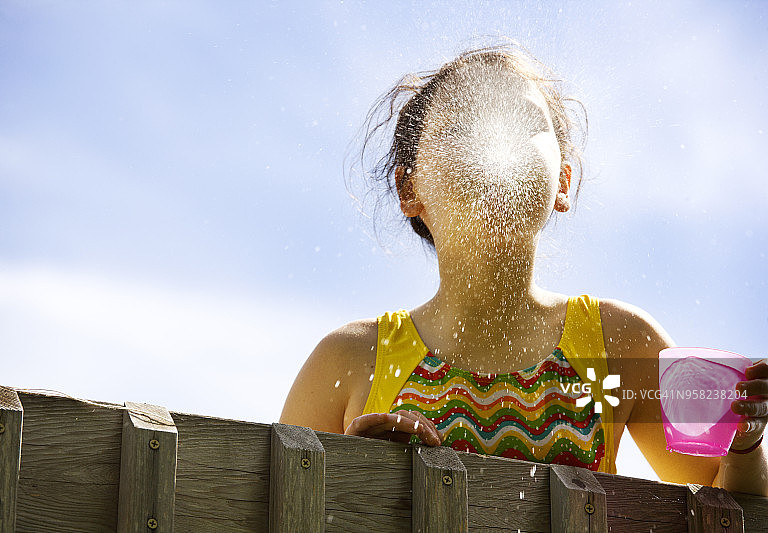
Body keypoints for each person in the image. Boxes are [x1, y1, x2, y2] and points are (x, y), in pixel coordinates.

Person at [279, 43, 768, 496]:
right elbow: (281, 505)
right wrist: (357, 477)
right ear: (409, 190)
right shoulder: (348, 358)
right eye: (457, 125)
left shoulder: (618, 342)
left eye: (521, 119)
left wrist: (744, 442)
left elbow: (729, 511)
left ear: (563, 184)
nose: (490, 135)